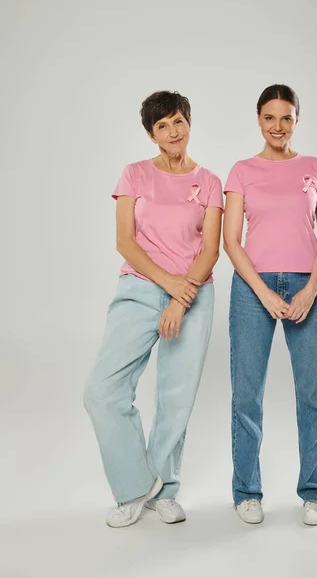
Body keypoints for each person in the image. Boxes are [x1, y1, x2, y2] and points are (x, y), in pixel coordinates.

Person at [84, 91, 223, 527]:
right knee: (102, 392)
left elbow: (210, 249)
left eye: (178, 121)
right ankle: (136, 485)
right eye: (161, 126)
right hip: (141, 288)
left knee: (175, 397)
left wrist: (183, 299)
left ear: (189, 123)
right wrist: (169, 287)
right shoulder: (134, 175)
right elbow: (125, 241)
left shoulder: (211, 182)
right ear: (150, 134)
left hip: (195, 294)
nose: (172, 131)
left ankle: (166, 486)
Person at [223, 84, 317, 526]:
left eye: (286, 118)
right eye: (269, 117)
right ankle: (247, 492)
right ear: (258, 120)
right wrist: (265, 293)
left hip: (309, 283)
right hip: (254, 287)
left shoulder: (314, 167)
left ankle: (314, 490)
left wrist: (310, 289)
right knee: (246, 393)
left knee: (313, 392)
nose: (277, 126)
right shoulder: (241, 171)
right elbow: (231, 241)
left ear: (296, 121)